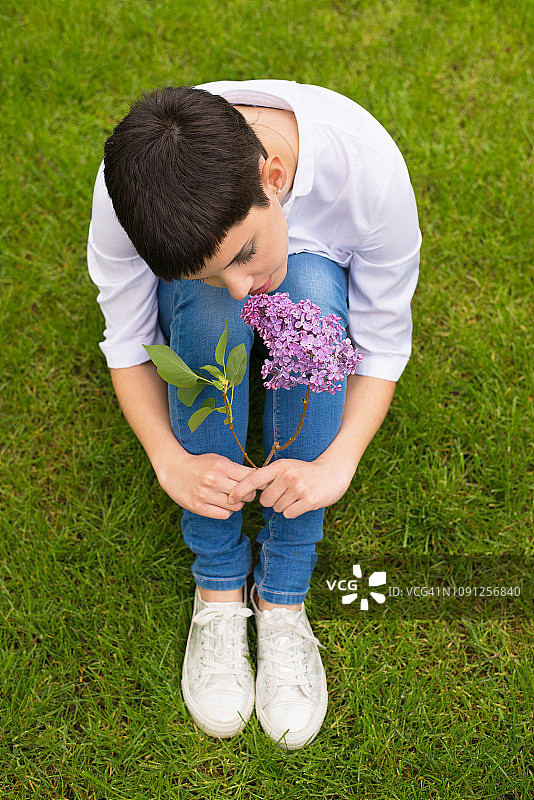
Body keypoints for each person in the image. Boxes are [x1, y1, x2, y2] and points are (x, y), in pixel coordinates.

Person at [87, 79, 421, 750]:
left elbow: (384, 345)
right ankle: (217, 589)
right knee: (212, 313)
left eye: (245, 252)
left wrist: (338, 461)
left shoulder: (369, 172)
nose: (243, 286)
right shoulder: (127, 191)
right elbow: (126, 342)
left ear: (274, 177)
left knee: (314, 299)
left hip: (322, 273)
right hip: (200, 301)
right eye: (217, 269)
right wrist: (168, 457)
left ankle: (283, 594)